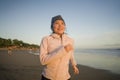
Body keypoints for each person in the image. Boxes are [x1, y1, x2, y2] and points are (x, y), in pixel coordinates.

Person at [39, 15, 79, 80]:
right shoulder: (46, 39)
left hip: (65, 77)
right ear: (52, 26)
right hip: (48, 77)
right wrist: (63, 50)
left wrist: (74, 65)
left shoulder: (70, 40)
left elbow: (71, 54)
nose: (60, 26)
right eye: (57, 23)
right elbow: (43, 61)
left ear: (65, 26)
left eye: (62, 23)